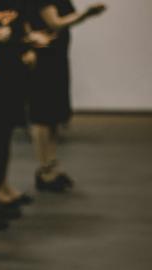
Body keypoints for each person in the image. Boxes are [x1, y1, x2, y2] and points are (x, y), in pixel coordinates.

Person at [26, 0, 106, 191]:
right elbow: (55, 23)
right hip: (44, 60)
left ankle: (51, 165)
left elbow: (64, 22)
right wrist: (87, 14)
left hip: (56, 57)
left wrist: (85, 15)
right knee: (42, 117)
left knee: (53, 117)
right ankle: (45, 169)